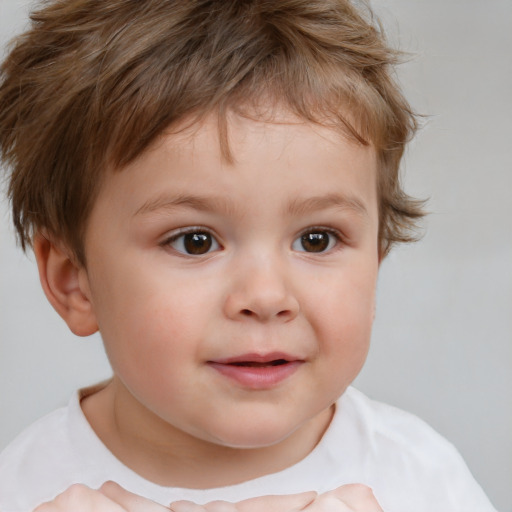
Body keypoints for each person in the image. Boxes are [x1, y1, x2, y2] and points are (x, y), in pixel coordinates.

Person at [0, 0, 498, 511]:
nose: (265, 297)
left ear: (376, 258)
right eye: (195, 241)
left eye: (316, 239)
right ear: (73, 282)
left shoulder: (425, 483)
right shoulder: (21, 490)